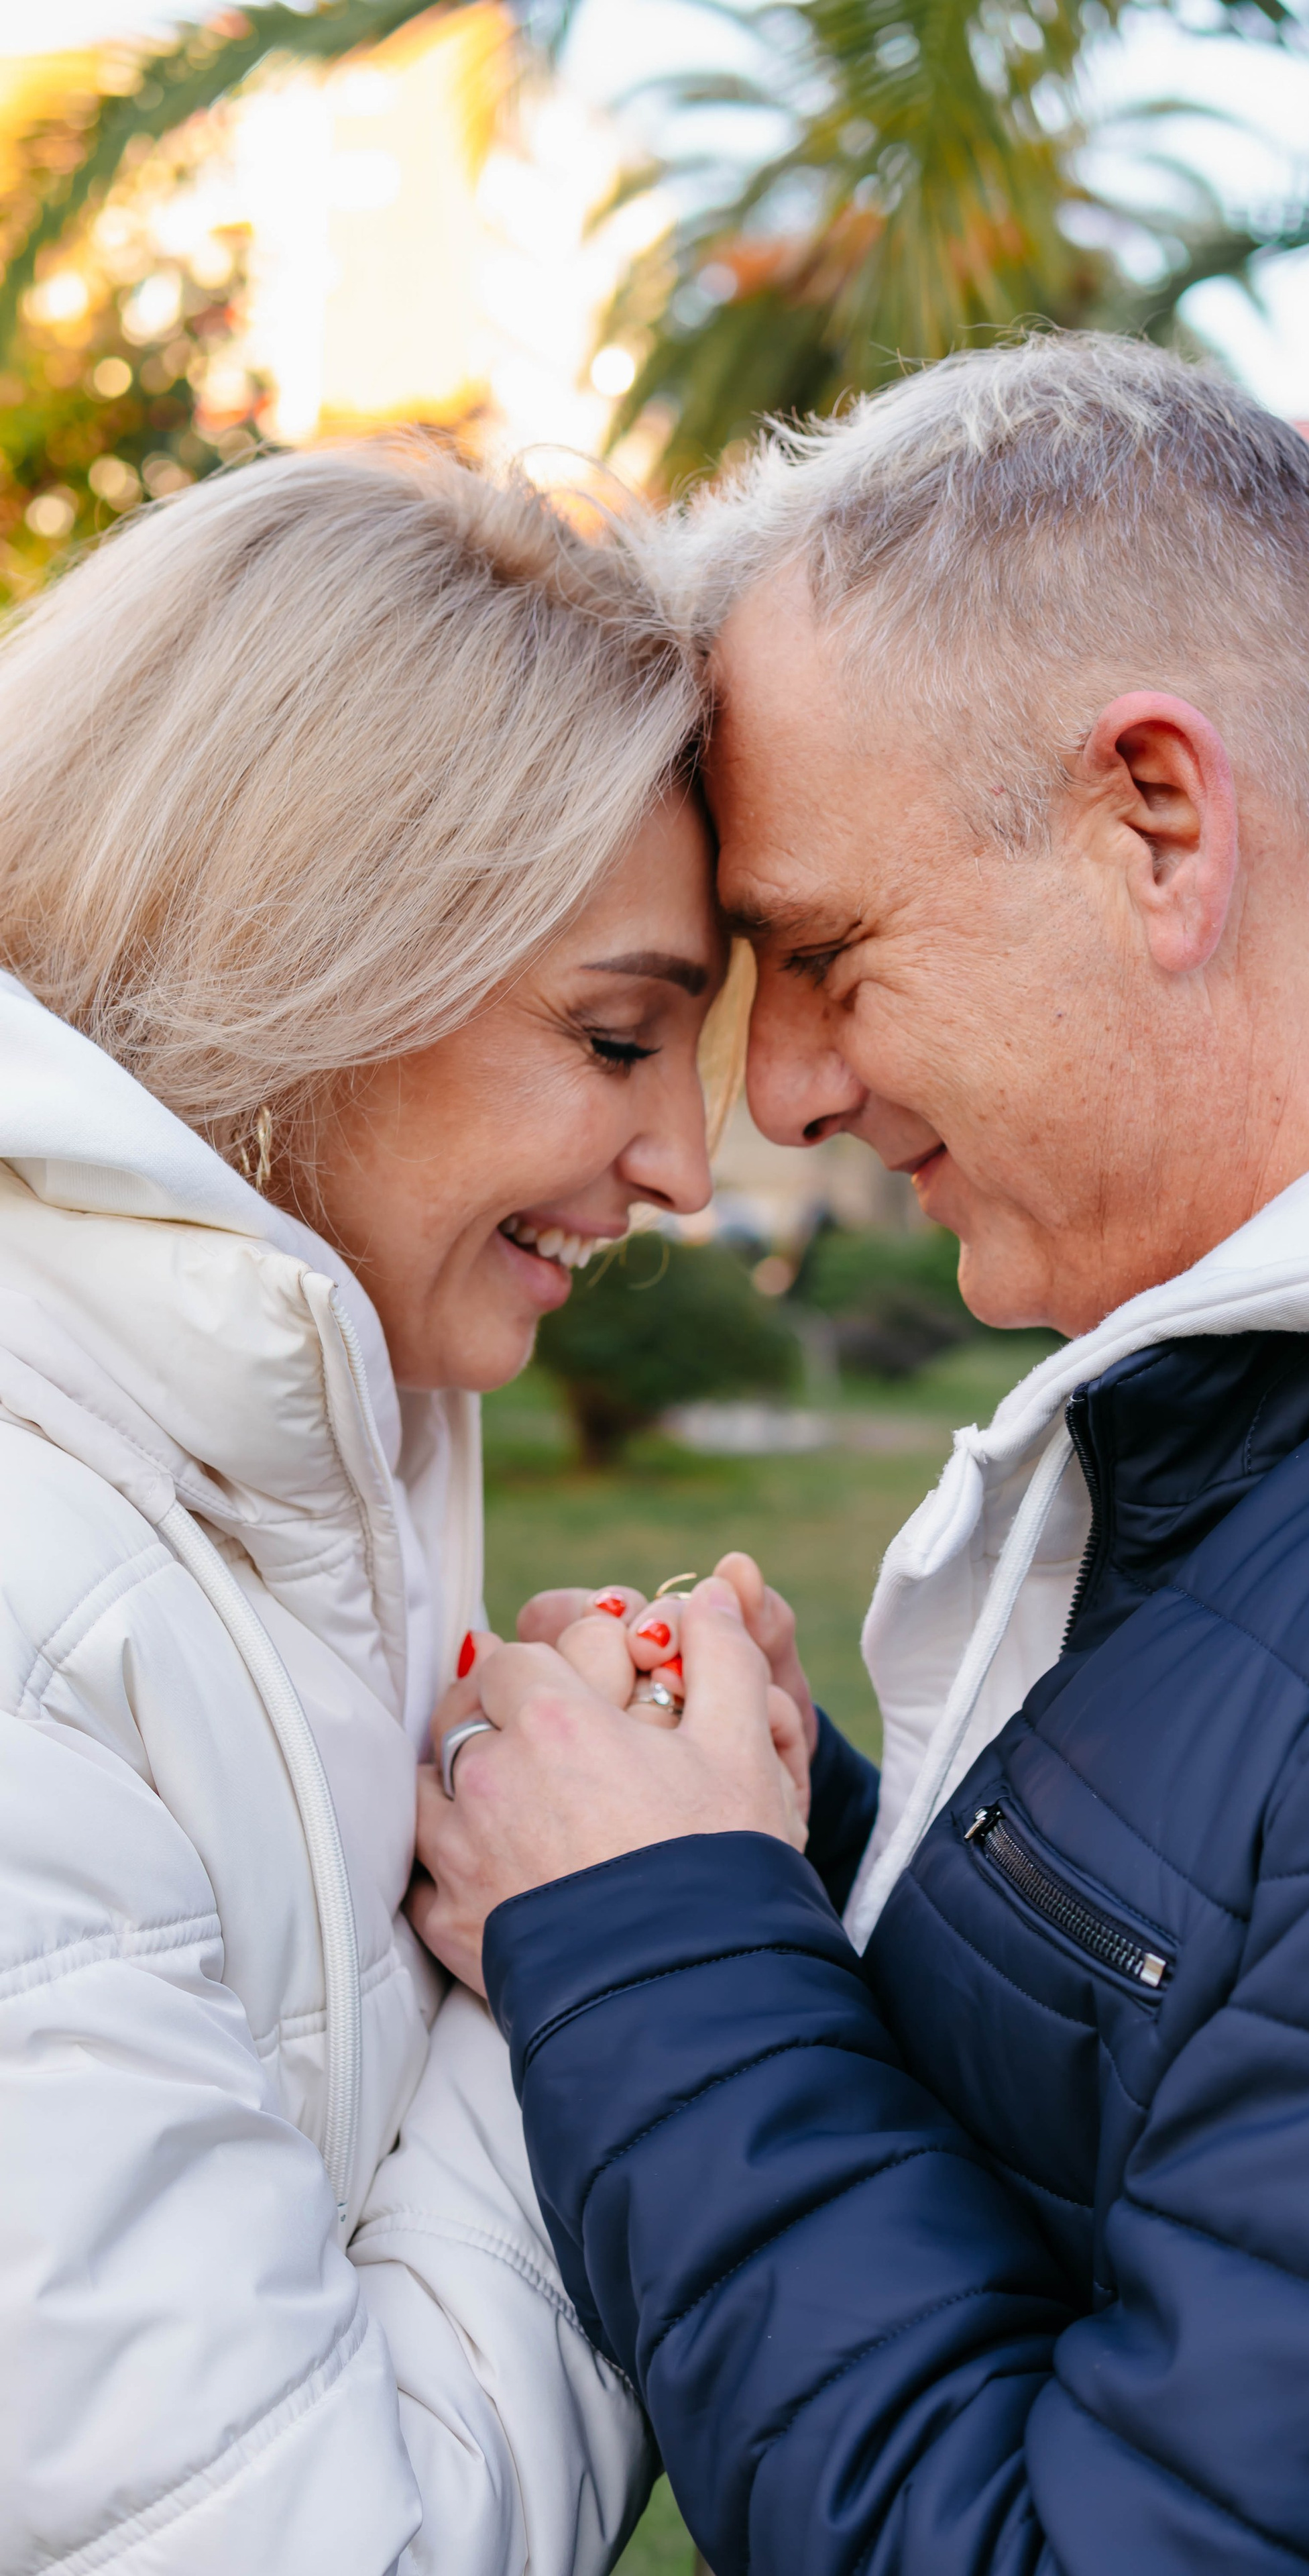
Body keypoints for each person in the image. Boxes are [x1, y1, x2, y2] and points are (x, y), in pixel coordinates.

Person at [414, 335, 1309, 2576]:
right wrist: (780, 1830)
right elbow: (1170, 2119)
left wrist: (650, 1940)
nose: (781, 1099)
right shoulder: (1307, 1435)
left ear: (1160, 825)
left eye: (820, 954)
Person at [0, 439, 735, 2572]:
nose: (689, 1163)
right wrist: (604, 1950)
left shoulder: (313, 1449)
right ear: (318, 948)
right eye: (617, 1037)